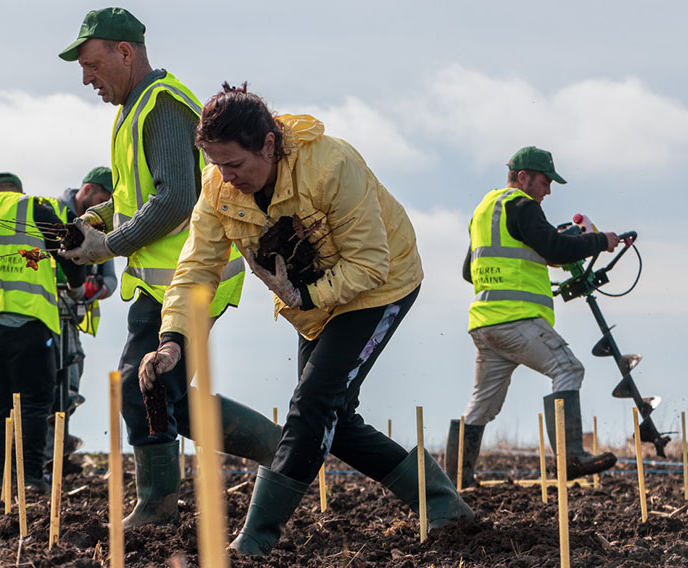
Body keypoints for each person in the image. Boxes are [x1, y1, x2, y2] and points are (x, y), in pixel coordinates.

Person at [139, 84, 475, 556]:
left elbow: (370, 262)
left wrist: (304, 295)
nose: (225, 176)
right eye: (216, 164)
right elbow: (195, 270)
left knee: (313, 403)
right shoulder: (217, 189)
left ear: (268, 145)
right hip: (312, 300)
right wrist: (172, 340)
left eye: (234, 164)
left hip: (381, 283)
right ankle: (442, 504)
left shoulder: (332, 165)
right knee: (335, 421)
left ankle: (255, 540)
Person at [57, 8, 280, 528]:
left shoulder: (161, 106)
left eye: (91, 64)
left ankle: (159, 507)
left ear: (125, 52)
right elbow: (136, 196)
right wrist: (95, 219)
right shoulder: (132, 110)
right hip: (162, 283)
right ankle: (282, 449)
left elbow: (177, 198)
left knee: (145, 388)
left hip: (188, 281)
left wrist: (108, 244)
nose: (86, 78)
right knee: (162, 396)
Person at [444, 146, 620, 486]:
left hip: (485, 325)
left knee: (482, 405)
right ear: (523, 177)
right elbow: (555, 247)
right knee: (568, 369)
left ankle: (455, 481)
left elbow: (470, 271)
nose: (548, 191)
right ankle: (571, 458)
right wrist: (600, 240)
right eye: (545, 181)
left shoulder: (483, 211)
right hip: (517, 320)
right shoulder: (523, 206)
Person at [0, 172, 85, 492]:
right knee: (33, 400)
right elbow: (67, 244)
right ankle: (29, 478)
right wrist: (76, 284)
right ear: (18, 190)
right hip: (29, 319)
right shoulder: (31, 207)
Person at [43, 166, 118, 469]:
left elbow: (110, 281)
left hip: (73, 321)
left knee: (70, 384)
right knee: (47, 386)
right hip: (44, 318)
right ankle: (45, 455)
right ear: (87, 190)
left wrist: (91, 288)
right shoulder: (50, 214)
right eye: (101, 200)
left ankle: (56, 453)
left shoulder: (102, 227)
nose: (103, 208)